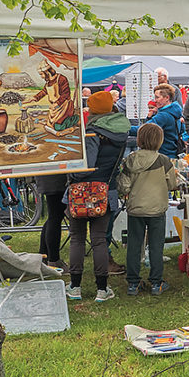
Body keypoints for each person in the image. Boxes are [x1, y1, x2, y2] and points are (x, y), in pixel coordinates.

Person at [65, 90, 130, 301]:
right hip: (106, 190)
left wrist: (71, 171)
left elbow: (87, 168)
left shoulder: (93, 132)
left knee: (78, 239)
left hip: (82, 191)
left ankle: (75, 287)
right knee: (100, 240)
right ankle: (102, 289)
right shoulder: (121, 129)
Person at [117, 122, 179, 296]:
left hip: (136, 208)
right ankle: (156, 282)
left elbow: (124, 186)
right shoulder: (164, 161)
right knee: (156, 246)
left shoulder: (131, 159)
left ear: (139, 139)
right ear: (159, 140)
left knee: (134, 246)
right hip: (157, 208)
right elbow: (173, 184)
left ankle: (133, 283)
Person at [35, 173, 68, 270]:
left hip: (47, 177)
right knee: (55, 217)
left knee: (53, 216)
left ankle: (43, 256)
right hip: (56, 179)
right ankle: (54, 260)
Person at [147, 84, 184, 159]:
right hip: (174, 154)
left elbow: (145, 129)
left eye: (157, 97)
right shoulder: (176, 112)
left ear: (167, 98)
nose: (155, 100)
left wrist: (125, 129)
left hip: (163, 156)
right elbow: (182, 130)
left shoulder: (163, 116)